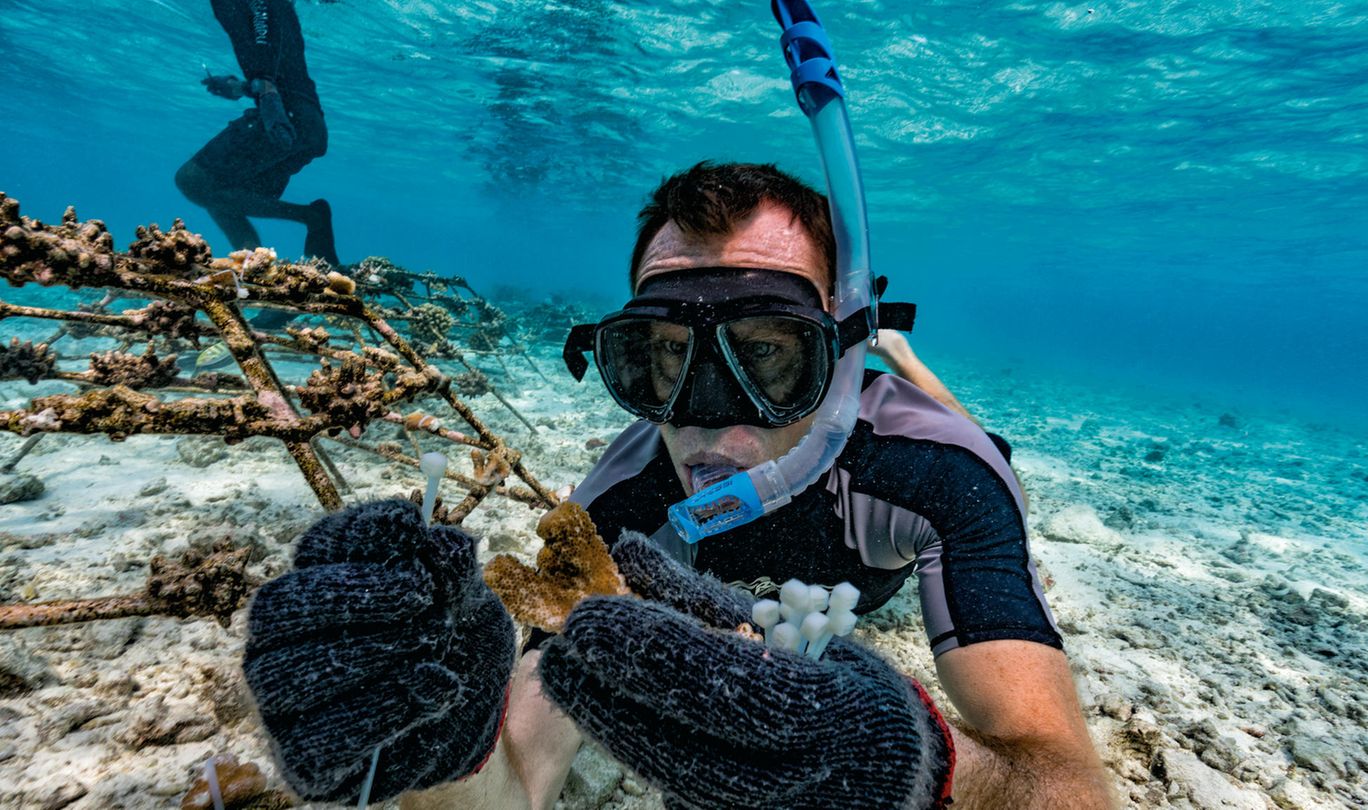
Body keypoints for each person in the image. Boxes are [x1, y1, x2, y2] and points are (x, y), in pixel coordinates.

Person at [241, 163, 1112, 809]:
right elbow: (512, 781)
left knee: (984, 444)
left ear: (832, 355)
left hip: (895, 522)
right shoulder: (619, 506)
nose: (703, 421)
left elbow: (1069, 784)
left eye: (766, 353)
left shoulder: (937, 477)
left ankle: (907, 366)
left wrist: (924, 765)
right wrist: (436, 747)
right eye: (662, 357)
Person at [174, 0, 340, 272]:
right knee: (222, 194)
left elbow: (265, 28)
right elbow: (276, 49)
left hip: (285, 119)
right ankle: (256, 275)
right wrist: (244, 87)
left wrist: (267, 93)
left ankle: (311, 217)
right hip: (305, 122)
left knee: (193, 181)